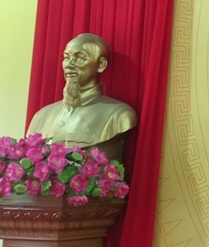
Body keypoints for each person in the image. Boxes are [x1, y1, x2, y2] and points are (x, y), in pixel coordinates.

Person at [27, 33, 137, 161]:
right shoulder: (42, 115)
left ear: (101, 65)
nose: (69, 64)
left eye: (80, 58)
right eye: (66, 57)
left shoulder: (118, 115)